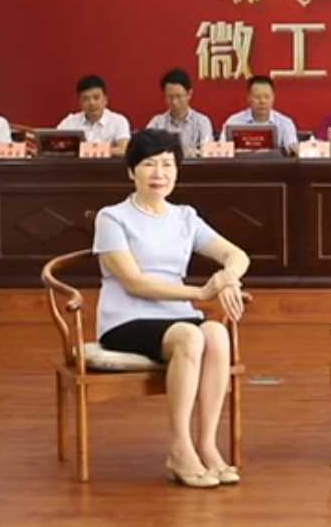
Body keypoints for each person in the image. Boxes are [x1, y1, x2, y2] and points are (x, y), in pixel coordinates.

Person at [93, 129, 250, 488]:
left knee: (216, 334)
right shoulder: (112, 217)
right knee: (190, 337)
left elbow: (236, 254)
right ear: (131, 171)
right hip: (126, 319)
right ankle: (180, 448)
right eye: (149, 164)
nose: (159, 173)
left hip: (175, 316)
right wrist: (201, 292)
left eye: (167, 164)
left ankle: (207, 445)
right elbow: (134, 282)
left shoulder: (184, 217)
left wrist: (228, 277)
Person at [219, 75, 299, 154]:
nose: (262, 101)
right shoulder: (233, 121)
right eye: (257, 97)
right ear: (248, 98)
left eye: (267, 97)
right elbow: (221, 150)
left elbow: (292, 149)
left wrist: (292, 149)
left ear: (273, 98)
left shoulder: (285, 123)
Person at [56, 74, 133, 155]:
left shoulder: (118, 121)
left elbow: (124, 150)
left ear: (105, 100)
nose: (92, 103)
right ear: (80, 103)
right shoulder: (70, 122)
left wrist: (87, 150)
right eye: (86, 99)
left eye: (96, 98)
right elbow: (53, 147)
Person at [145, 68, 214, 154]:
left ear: (189, 94)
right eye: (170, 97)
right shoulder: (157, 123)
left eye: (179, 96)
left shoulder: (202, 122)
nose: (174, 101)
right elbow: (145, 148)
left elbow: (207, 152)